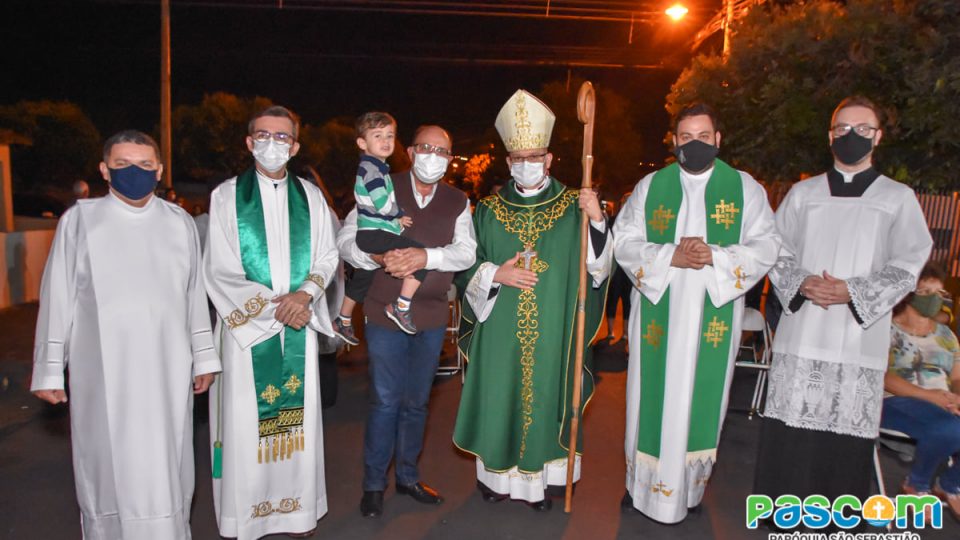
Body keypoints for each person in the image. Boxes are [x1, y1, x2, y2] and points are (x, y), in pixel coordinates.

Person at [30, 130, 220, 539]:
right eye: (122, 165)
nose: (134, 172)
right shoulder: (79, 221)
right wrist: (48, 369)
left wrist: (204, 357)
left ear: (159, 170)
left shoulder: (179, 222)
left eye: (145, 165)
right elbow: (57, 297)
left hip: (167, 368)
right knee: (106, 465)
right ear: (104, 169)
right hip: (100, 373)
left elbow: (194, 295)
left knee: (166, 464)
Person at [754, 96, 933, 521]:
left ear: (878, 136)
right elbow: (775, 250)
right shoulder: (804, 193)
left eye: (862, 129)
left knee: (843, 440)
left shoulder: (897, 197)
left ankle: (836, 521)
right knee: (792, 435)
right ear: (829, 135)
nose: (851, 136)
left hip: (857, 340)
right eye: (842, 129)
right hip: (804, 332)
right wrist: (803, 283)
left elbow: (909, 263)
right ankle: (783, 516)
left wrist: (852, 291)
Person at [612, 103, 780, 523]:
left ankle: (687, 489)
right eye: (686, 137)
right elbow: (624, 242)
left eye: (703, 136)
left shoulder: (745, 189)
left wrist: (715, 257)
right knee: (647, 401)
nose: (695, 144)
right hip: (658, 316)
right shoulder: (651, 186)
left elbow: (767, 246)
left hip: (711, 317)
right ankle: (640, 489)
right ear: (674, 142)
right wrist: (671, 257)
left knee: (699, 404)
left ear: (718, 140)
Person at [453, 89, 613, 511]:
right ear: (508, 163)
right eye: (518, 157)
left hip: (554, 330)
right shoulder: (485, 211)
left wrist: (597, 221)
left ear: (549, 158)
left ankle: (547, 480)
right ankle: (496, 480)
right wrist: (494, 274)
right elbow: (465, 266)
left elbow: (598, 270)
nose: (527, 163)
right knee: (500, 394)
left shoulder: (575, 206)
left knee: (549, 395)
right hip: (498, 331)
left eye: (535, 155)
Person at [204, 105, 339, 540]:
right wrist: (274, 307)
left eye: (282, 137)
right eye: (263, 135)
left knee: (297, 428)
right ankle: (248, 517)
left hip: (297, 321)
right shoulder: (226, 197)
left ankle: (296, 513)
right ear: (249, 142)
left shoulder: (311, 197)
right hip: (248, 334)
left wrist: (305, 297)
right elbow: (219, 270)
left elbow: (327, 254)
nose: (272, 143)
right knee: (247, 426)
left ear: (295, 146)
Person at [337, 124, 476, 517]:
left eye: (442, 150)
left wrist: (424, 258)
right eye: (426, 148)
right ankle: (374, 484)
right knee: (385, 401)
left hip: (430, 317)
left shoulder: (457, 201)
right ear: (411, 152)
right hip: (383, 313)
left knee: (416, 403)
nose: (433, 155)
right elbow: (347, 238)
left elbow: (465, 252)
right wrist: (379, 258)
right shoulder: (381, 182)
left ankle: (409, 477)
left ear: (449, 159)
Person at [334, 112, 428, 341]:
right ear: (362, 142)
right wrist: (398, 214)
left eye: (390, 136)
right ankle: (401, 306)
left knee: (363, 278)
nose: (386, 141)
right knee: (419, 256)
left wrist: (394, 220)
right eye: (378, 136)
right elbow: (380, 202)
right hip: (372, 235)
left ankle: (343, 319)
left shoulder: (374, 168)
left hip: (370, 234)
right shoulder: (372, 170)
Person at [883, 262, 960, 520]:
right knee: (951, 428)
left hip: (941, 404)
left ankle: (949, 484)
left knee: (951, 424)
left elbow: (957, 377)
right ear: (908, 293)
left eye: (940, 293)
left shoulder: (946, 335)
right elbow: (883, 377)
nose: (934, 299)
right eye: (926, 291)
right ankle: (917, 484)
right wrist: (930, 396)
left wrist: (956, 397)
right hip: (897, 401)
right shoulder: (886, 329)